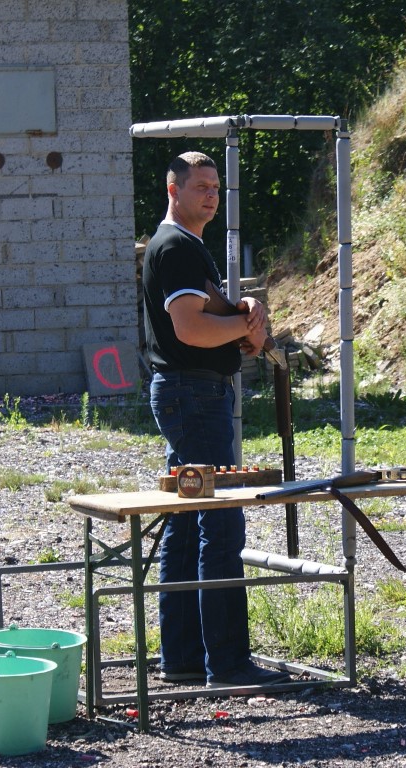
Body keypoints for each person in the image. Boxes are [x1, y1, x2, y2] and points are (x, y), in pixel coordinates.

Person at [141, 151, 291, 688]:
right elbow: (190, 329)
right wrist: (245, 328)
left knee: (186, 523)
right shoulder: (177, 245)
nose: (210, 194)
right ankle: (227, 665)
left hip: (187, 393)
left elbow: (211, 318)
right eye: (200, 185)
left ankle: (182, 657)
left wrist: (240, 317)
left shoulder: (180, 245)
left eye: (215, 187)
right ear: (173, 189)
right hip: (194, 395)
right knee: (220, 522)